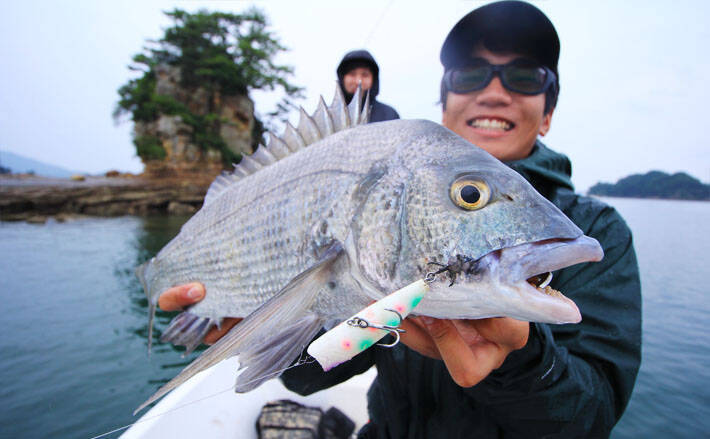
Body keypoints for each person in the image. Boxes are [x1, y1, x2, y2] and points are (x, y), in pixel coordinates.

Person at [159, 2, 642, 437]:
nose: (495, 92)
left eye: (524, 77)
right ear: (444, 107)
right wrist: (260, 327)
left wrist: (522, 362)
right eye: (470, 74)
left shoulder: (599, 231)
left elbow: (593, 417)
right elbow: (308, 377)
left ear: (549, 114)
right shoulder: (380, 235)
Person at [336, 49, 400, 122]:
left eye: (365, 75)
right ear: (342, 78)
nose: (358, 81)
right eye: (352, 74)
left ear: (374, 79)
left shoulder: (390, 115)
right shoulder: (328, 117)